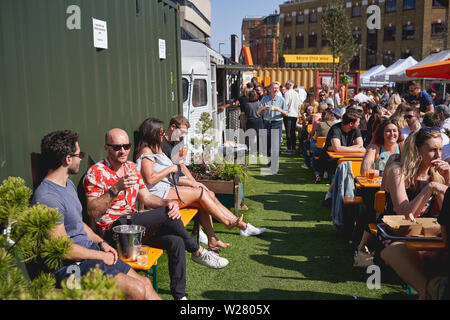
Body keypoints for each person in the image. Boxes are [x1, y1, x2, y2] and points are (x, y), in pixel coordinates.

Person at [84, 128, 229, 300]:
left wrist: (168, 203)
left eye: (126, 146)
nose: (122, 151)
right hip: (113, 232)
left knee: (175, 241)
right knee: (167, 215)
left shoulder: (130, 167)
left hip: (134, 230)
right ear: (107, 148)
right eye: (117, 147)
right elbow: (92, 211)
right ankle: (197, 251)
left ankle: (179, 296)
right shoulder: (96, 172)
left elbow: (147, 197)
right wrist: (116, 188)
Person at [32, 130, 162, 300]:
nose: (81, 158)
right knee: (136, 290)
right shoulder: (48, 198)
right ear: (68, 159)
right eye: (80, 154)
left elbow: (78, 225)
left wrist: (101, 243)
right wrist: (101, 255)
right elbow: (63, 250)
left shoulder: (68, 185)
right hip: (70, 267)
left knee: (145, 283)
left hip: (89, 252)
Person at [134, 118, 266, 242]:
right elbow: (152, 178)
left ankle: (218, 236)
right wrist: (182, 176)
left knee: (208, 194)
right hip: (164, 192)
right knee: (202, 194)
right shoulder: (152, 150)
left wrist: (194, 182)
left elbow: (180, 167)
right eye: (160, 132)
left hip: (171, 185)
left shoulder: (167, 146)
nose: (162, 135)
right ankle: (229, 224)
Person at [380, 127, 450, 299]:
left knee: (438, 252)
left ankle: (433, 289)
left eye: (440, 149)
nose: (438, 155)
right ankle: (426, 292)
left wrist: (447, 181)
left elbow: (446, 214)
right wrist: (430, 189)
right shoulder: (398, 171)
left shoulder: (438, 174)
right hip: (397, 234)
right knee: (401, 251)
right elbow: (404, 215)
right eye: (433, 150)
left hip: (428, 234)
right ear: (418, 150)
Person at [319, 110, 365, 206]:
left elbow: (361, 146)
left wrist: (340, 148)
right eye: (358, 122)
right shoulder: (335, 129)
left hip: (348, 157)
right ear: (351, 123)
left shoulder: (355, 129)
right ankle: (329, 196)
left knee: (356, 166)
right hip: (328, 159)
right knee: (343, 167)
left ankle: (352, 194)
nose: (359, 124)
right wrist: (354, 148)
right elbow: (338, 148)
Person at [257, 82, 288, 160]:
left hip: (277, 123)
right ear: (270, 90)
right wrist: (263, 108)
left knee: (275, 144)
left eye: (277, 88)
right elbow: (258, 112)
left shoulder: (281, 100)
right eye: (274, 88)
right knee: (268, 145)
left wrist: (278, 109)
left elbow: (286, 113)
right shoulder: (265, 99)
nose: (276, 90)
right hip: (267, 123)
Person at [282, 80, 301, 154]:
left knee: (289, 132)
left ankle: (289, 148)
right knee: (292, 132)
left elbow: (285, 104)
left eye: (287, 84)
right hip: (294, 114)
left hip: (288, 114)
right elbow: (299, 105)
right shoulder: (296, 93)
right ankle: (293, 148)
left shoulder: (287, 94)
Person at [244, 90, 264, 154]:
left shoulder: (247, 104)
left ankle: (252, 150)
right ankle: (260, 150)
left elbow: (246, 113)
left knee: (252, 137)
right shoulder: (259, 103)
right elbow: (261, 112)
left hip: (250, 121)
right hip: (258, 120)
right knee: (259, 136)